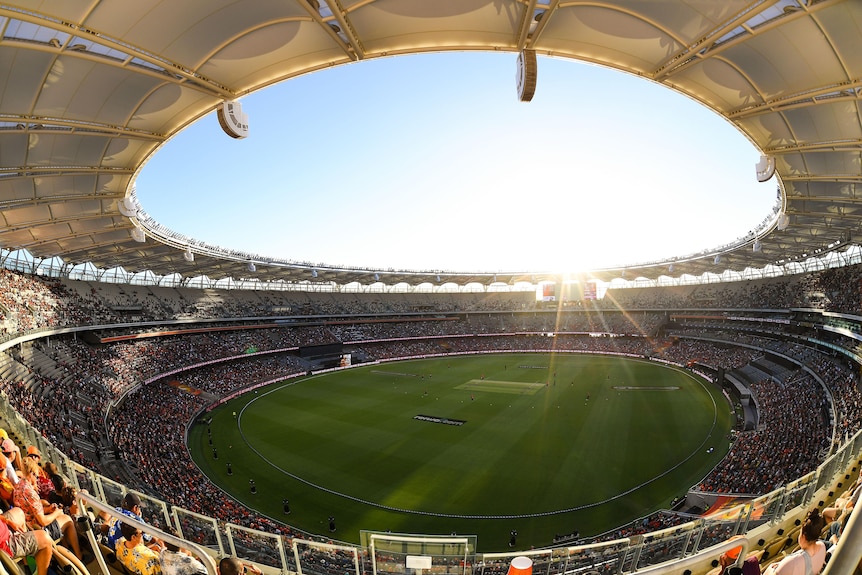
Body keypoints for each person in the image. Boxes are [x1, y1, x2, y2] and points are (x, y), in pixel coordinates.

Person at [12, 456, 84, 561]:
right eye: (36, 476)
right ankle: (79, 556)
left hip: (29, 526)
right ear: (31, 473)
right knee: (68, 520)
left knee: (59, 515)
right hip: (38, 530)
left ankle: (65, 549)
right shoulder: (31, 493)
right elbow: (43, 521)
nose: (37, 479)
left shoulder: (19, 485)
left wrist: (49, 509)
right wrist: (56, 512)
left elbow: (30, 510)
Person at [763, 508, 826, 575]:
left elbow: (792, 565)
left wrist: (770, 569)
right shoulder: (822, 547)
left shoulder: (792, 561)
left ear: (803, 536)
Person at [0, 507, 54, 575]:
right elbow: (43, 521)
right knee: (45, 539)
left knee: (18, 511)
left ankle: (27, 563)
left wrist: (8, 521)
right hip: (5, 544)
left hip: (4, 527)